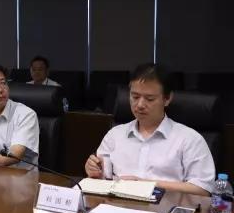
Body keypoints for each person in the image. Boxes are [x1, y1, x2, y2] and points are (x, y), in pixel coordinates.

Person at [84, 63, 215, 196]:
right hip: (117, 205)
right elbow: (102, 177)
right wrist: (94, 171)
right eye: (135, 97)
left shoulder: (190, 139)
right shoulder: (115, 135)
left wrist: (145, 184)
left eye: (149, 99)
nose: (140, 104)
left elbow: (202, 189)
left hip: (166, 206)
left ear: (167, 99)